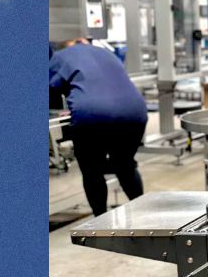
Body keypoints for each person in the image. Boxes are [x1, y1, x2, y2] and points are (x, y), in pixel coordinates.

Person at [48, 38, 149, 216]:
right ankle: (144, 217)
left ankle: (100, 221)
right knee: (125, 166)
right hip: (134, 112)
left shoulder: (60, 57)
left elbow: (50, 91)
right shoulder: (105, 52)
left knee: (92, 171)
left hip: (93, 116)